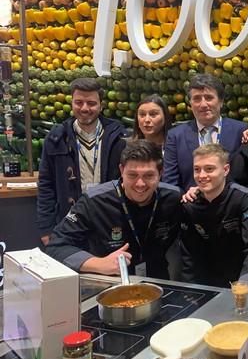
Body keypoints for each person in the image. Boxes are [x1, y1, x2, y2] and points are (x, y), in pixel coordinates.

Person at [45, 140, 183, 279]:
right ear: (122, 170)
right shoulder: (94, 201)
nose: (140, 184)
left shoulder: (174, 198)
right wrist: (100, 264)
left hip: (158, 282)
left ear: (160, 173)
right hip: (108, 282)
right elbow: (56, 246)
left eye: (148, 176)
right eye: (132, 175)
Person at [37, 77, 126, 246]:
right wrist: (46, 228)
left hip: (109, 220)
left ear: (101, 105)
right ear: (71, 103)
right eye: (79, 102)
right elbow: (46, 185)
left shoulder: (119, 138)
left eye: (91, 103)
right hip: (69, 221)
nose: (85, 108)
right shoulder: (57, 138)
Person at [181, 143, 248, 290]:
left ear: (225, 170)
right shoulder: (189, 204)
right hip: (207, 284)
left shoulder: (244, 198)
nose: (202, 176)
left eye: (209, 169)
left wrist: (246, 283)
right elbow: (189, 255)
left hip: (242, 279)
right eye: (197, 170)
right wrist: (191, 289)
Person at [163, 73, 247, 190]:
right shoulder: (176, 136)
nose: (203, 104)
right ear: (190, 104)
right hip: (190, 205)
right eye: (197, 99)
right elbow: (170, 183)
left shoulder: (240, 131)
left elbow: (246, 177)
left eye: (209, 98)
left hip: (231, 205)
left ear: (221, 101)